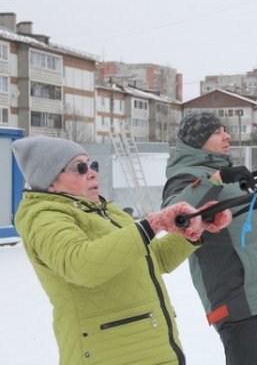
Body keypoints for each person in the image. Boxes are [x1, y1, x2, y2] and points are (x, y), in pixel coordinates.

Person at [11, 135, 232, 365]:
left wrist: (196, 228)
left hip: (153, 349)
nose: (93, 172)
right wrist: (151, 225)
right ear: (50, 181)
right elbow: (82, 265)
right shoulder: (44, 217)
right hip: (109, 355)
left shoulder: (108, 211)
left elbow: (157, 258)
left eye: (92, 164)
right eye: (80, 167)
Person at [162, 111, 257, 365]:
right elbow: (174, 217)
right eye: (216, 132)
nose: (227, 136)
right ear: (196, 140)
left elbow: (239, 218)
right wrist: (216, 181)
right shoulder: (186, 177)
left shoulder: (226, 175)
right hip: (238, 302)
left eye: (224, 130)